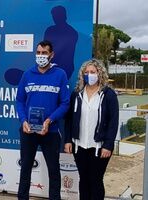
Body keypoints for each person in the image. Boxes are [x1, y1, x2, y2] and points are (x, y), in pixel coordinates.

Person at [16, 40, 70, 200]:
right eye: (38, 52)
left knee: (54, 170)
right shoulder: (27, 74)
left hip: (50, 131)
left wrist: (49, 121)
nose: (40, 56)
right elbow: (19, 100)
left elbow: (65, 103)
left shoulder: (60, 75)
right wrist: (23, 120)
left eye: (44, 53)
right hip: (28, 130)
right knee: (25, 168)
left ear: (51, 55)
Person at [64, 59, 119, 200]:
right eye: (86, 72)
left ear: (100, 73)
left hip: (99, 147)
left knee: (95, 180)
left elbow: (113, 122)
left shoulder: (109, 95)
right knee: (83, 180)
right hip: (79, 145)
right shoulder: (76, 94)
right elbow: (69, 119)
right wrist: (68, 140)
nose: (89, 75)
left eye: (93, 72)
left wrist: (108, 145)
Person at [43, 5, 78, 79]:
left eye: (57, 16)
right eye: (54, 16)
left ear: (64, 16)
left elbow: (60, 50)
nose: (55, 18)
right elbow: (44, 49)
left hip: (65, 69)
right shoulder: (50, 30)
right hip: (49, 67)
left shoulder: (72, 32)